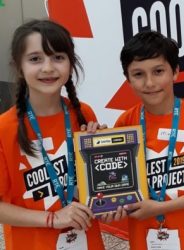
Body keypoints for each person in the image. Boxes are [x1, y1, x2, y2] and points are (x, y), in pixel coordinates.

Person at [113, 30, 184, 250]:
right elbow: (116, 186)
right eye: (138, 74)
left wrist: (159, 208)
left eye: (158, 71)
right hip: (144, 241)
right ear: (128, 79)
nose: (149, 82)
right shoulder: (125, 123)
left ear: (175, 71)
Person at [0, 19, 105, 250]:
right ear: (19, 66)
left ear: (71, 63)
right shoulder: (4, 128)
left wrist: (103, 153)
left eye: (58, 57)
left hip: (87, 241)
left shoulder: (83, 113)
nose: (48, 68)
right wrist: (53, 219)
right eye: (35, 59)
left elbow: (93, 187)